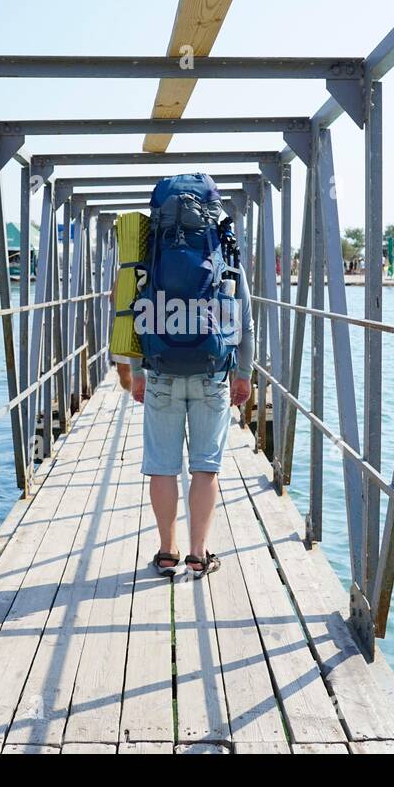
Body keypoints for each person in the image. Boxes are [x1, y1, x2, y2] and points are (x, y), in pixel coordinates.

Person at [129, 175, 252, 579]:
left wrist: (135, 371)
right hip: (211, 372)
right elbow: (244, 317)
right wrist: (244, 373)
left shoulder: (150, 250)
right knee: (205, 467)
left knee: (162, 466)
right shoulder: (223, 247)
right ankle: (199, 554)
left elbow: (130, 311)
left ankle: (167, 553)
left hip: (161, 368)